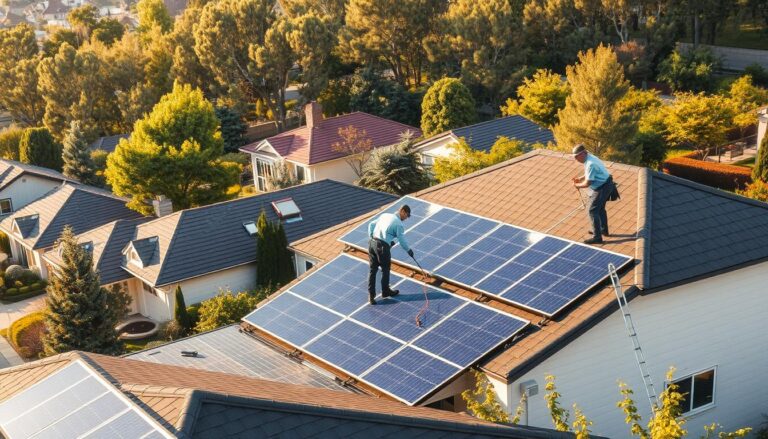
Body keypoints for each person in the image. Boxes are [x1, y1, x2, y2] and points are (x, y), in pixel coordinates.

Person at [367, 205, 413, 305]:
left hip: (372, 244)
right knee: (385, 269)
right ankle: (385, 291)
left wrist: (372, 237)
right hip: (382, 248)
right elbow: (401, 240)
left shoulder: (385, 215)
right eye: (407, 215)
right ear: (403, 211)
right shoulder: (398, 224)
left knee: (372, 270)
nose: (406, 218)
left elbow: (371, 224)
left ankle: (371, 296)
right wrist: (408, 250)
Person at [571, 144, 614, 245]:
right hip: (606, 184)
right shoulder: (590, 158)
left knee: (592, 210)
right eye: (574, 157)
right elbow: (590, 174)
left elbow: (588, 183)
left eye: (577, 156)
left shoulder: (590, 163)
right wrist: (580, 178)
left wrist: (578, 185)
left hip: (602, 188)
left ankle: (597, 237)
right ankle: (603, 230)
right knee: (600, 209)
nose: (576, 159)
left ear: (584, 153)